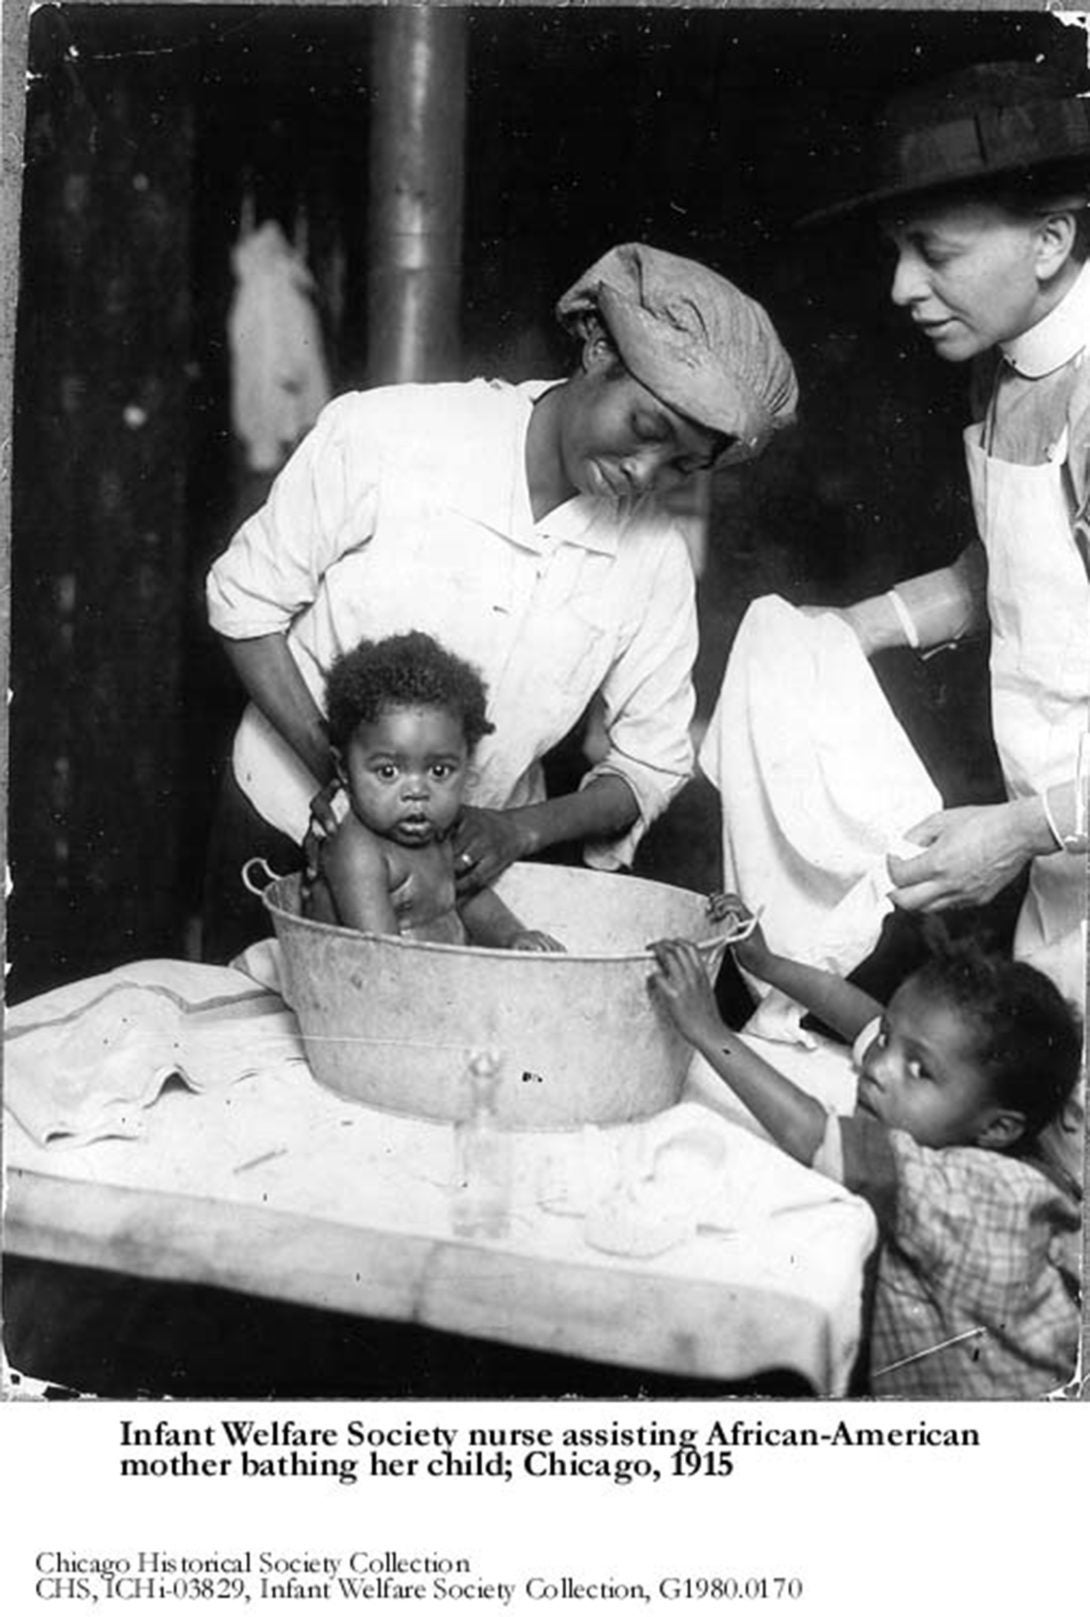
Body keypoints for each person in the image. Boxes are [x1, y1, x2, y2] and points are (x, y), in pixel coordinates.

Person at [203, 242, 798, 963]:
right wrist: (338, 775)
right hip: (282, 820)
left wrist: (521, 830)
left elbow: (650, 763)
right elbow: (245, 605)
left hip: (468, 877)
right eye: (646, 430)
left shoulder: (654, 559)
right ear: (597, 349)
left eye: (681, 466)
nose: (646, 471)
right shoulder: (392, 435)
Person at [808, 60, 1090, 1013]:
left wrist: (1021, 831)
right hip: (1065, 869)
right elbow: (1018, 570)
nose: (901, 287)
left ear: (1051, 239)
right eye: (897, 250)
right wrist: (859, 627)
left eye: (935, 251)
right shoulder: (1006, 374)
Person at [649, 899, 1082, 1398]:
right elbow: (867, 1020)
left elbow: (814, 1132)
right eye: (887, 1044)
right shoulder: (964, 1109)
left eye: (918, 1068)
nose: (878, 1067)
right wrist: (765, 964)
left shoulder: (982, 1194)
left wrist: (708, 1029)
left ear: (998, 1128)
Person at [304, 630, 561, 951]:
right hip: (376, 987)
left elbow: (469, 897)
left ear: (466, 767)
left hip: (441, 982)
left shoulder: (441, 832)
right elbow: (381, 956)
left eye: (439, 771)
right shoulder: (358, 850)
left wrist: (511, 935)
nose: (416, 792)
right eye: (388, 772)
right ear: (343, 770)